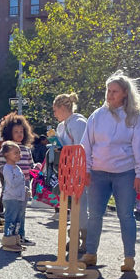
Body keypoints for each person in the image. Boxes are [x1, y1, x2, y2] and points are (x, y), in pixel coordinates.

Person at [80, 72, 140, 272]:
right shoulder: (97, 115)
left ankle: (129, 257)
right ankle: (90, 253)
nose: (110, 95)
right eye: (108, 91)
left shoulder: (136, 117)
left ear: (125, 93)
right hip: (98, 173)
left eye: (114, 91)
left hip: (125, 173)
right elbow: (86, 145)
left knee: (126, 215)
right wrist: (86, 170)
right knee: (94, 214)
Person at [52, 92, 88, 231]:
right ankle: (73, 234)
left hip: (79, 169)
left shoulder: (79, 123)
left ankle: (82, 236)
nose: (54, 114)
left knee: (81, 205)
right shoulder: (61, 126)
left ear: (62, 107)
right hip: (66, 169)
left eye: (55, 110)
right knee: (71, 204)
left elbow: (82, 148)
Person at [0, 113, 34, 244]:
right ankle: (9, 236)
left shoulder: (26, 149)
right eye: (16, 132)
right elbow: (0, 165)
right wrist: (9, 173)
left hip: (25, 183)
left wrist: (35, 168)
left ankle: (20, 235)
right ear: (9, 132)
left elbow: (31, 165)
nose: (19, 134)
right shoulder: (7, 148)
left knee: (22, 212)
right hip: (12, 183)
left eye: (21, 131)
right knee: (12, 212)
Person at [0, 141, 28, 251]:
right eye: (15, 152)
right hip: (11, 198)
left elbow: (20, 181)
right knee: (10, 220)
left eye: (19, 152)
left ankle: (15, 240)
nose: (18, 155)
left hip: (18, 198)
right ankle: (8, 241)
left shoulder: (17, 168)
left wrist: (24, 189)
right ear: (6, 155)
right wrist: (21, 182)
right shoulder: (7, 168)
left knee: (17, 221)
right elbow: (11, 183)